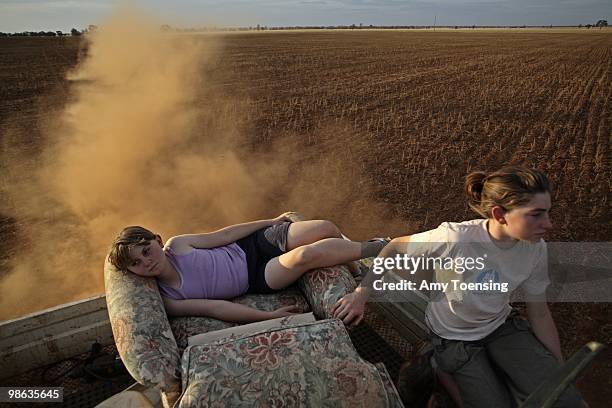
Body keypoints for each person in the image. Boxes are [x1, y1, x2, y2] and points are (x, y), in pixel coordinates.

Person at [333, 166, 586, 407]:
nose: (549, 224)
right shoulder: (455, 239)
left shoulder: (535, 248)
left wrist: (559, 372)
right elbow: (395, 247)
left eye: (547, 212)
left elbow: (539, 312)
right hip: (454, 338)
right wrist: (361, 294)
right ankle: (439, 367)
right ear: (499, 214)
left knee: (566, 400)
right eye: (536, 214)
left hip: (500, 326)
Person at [108, 212, 387, 323]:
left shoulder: (178, 245)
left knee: (324, 227)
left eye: (146, 251)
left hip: (251, 245)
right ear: (131, 272)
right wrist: (266, 317)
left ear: (157, 240)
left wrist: (268, 222)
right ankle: (382, 248)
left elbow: (226, 235)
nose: (146, 262)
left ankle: (355, 262)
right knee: (304, 256)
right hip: (256, 276)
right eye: (136, 264)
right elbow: (216, 309)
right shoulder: (171, 299)